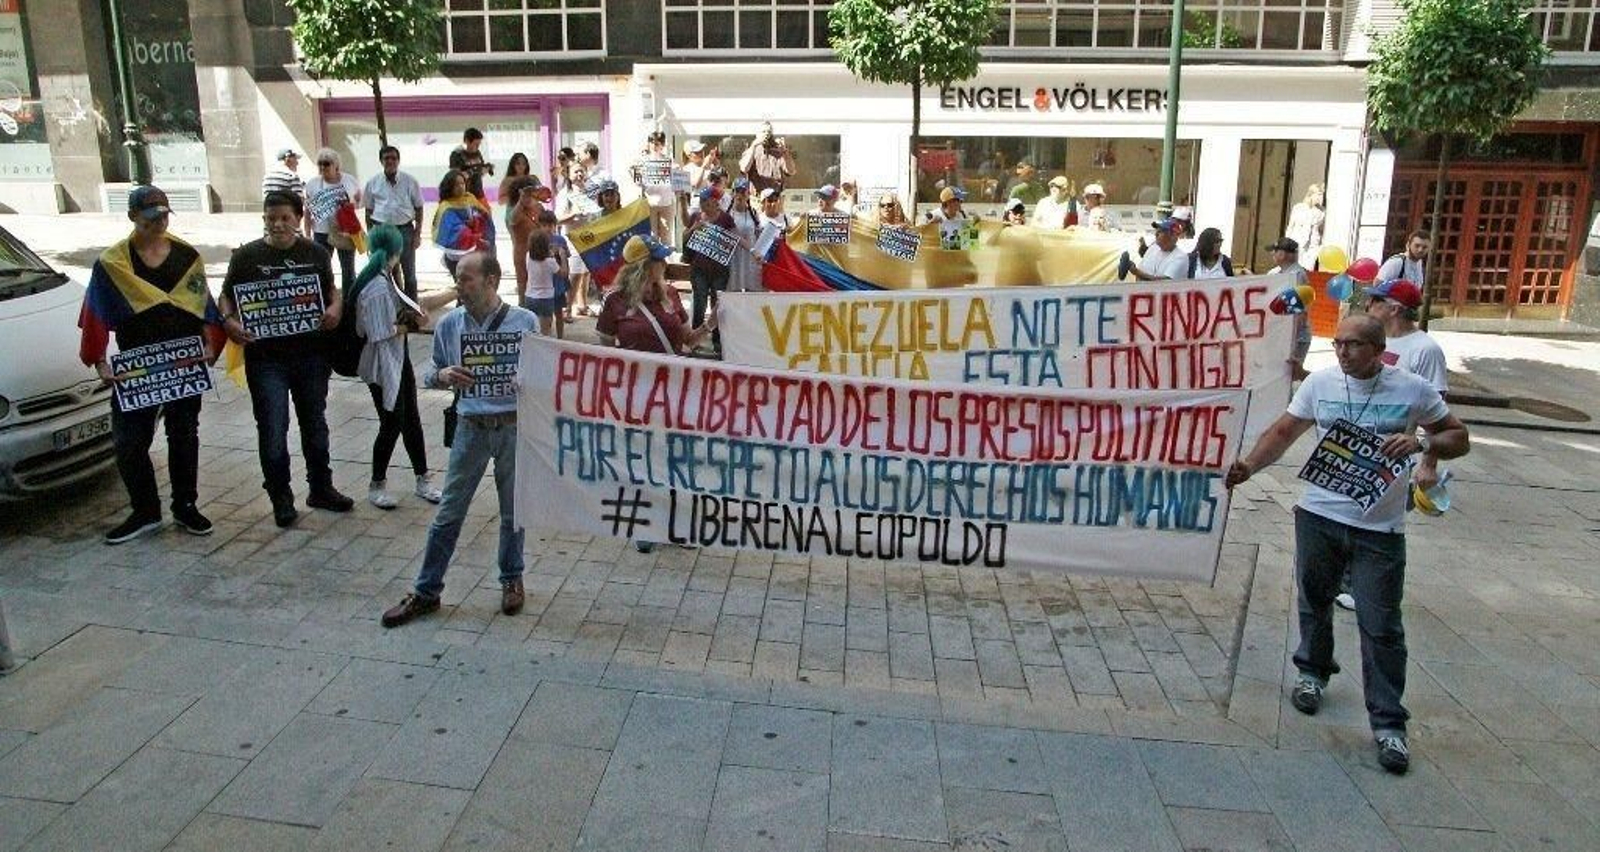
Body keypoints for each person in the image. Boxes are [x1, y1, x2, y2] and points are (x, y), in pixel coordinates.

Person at [1226, 315, 1469, 775]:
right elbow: (1283, 432)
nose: (1342, 353)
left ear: (1378, 349)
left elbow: (1460, 437)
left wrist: (1421, 443)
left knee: (1381, 624)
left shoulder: (1413, 389)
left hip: (1380, 530)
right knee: (1314, 599)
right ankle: (1312, 672)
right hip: (1319, 515)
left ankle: (1389, 724)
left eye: (1353, 345)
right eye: (1337, 344)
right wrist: (1249, 466)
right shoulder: (1320, 384)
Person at [381, 250, 538, 628]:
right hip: (471, 426)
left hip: (513, 424)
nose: (459, 286)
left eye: (466, 278)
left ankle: (511, 577)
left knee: (513, 510)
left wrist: (527, 382)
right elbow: (430, 372)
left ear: (491, 281)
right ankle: (426, 589)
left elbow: (544, 374)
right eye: (458, 278)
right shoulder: (451, 325)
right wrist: (444, 375)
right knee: (450, 511)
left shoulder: (525, 321)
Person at [79, 185, 226, 544]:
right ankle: (145, 510)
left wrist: (211, 342)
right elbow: (95, 313)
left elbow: (203, 304)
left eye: (163, 216)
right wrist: (99, 360)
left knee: (184, 435)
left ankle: (185, 505)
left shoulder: (186, 256)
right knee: (129, 442)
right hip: (138, 365)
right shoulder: (113, 264)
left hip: (182, 362)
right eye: (150, 218)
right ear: (133, 217)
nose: (159, 223)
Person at [219, 191, 353, 528]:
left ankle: (320, 488)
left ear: (298, 218)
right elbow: (226, 296)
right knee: (273, 427)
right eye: (270, 218)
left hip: (310, 355)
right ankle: (280, 496)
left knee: (315, 424)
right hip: (266, 359)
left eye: (284, 218)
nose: (277, 224)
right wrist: (229, 322)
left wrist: (336, 307)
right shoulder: (246, 256)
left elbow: (330, 289)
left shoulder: (316, 253)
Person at [348, 224, 441, 510]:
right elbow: (379, 331)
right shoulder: (376, 286)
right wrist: (412, 324)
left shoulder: (383, 277)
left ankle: (423, 477)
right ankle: (377, 484)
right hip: (381, 364)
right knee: (392, 423)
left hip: (397, 360)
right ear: (395, 251)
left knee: (411, 419)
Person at [363, 145, 425, 300]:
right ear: (381, 161)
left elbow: (419, 208)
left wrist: (417, 234)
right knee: (386, 272)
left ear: (398, 161)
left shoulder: (410, 181)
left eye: (393, 158)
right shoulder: (372, 183)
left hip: (405, 231)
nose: (390, 161)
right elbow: (368, 211)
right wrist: (371, 235)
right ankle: (394, 308)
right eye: (386, 158)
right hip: (382, 232)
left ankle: (412, 310)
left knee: (409, 273)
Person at [1366, 279, 1448, 395]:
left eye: (1375, 300)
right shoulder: (1372, 338)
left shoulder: (1426, 349)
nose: (1367, 305)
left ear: (1394, 309)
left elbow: (1435, 400)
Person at [684, 185, 735, 353]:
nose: (702, 204)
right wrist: (694, 229)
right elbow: (684, 237)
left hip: (720, 269)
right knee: (699, 303)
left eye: (705, 200)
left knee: (717, 305)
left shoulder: (726, 219)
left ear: (715, 202)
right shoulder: (695, 217)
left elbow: (733, 239)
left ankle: (718, 340)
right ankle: (695, 339)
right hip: (699, 268)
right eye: (701, 200)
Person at [304, 148, 361, 291]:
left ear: (336, 165)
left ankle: (349, 303)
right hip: (321, 233)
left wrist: (350, 205)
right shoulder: (312, 184)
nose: (323, 167)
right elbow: (307, 211)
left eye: (327, 163)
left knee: (348, 270)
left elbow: (359, 202)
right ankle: (327, 298)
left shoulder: (350, 180)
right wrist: (307, 233)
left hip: (345, 232)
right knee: (322, 268)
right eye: (320, 164)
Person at [432, 169, 495, 280]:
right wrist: (475, 237)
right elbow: (453, 230)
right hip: (457, 257)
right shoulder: (446, 206)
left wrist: (475, 222)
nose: (460, 187)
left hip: (475, 253)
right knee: (463, 289)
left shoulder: (470, 198)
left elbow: (484, 216)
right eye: (456, 184)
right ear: (449, 186)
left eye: (462, 183)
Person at [556, 163, 598, 317]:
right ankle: (567, 309)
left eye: (582, 171)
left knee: (586, 273)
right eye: (576, 171)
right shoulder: (564, 194)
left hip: (590, 237)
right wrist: (573, 214)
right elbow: (557, 219)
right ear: (568, 174)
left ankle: (583, 305)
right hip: (572, 239)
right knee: (575, 274)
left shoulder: (591, 192)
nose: (579, 174)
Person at [1268, 237, 1313, 379]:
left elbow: (1299, 311)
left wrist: (1292, 337)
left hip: (1295, 335)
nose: (1272, 254)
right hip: (1278, 332)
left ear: (1286, 254)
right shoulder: (1274, 273)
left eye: (1276, 251)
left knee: (1289, 375)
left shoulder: (1297, 275)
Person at [519, 230, 566, 336]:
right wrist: (562, 257)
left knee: (531, 328)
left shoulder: (528, 256)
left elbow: (539, 252)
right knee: (545, 332)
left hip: (530, 296)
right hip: (545, 298)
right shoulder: (550, 262)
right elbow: (563, 273)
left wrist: (550, 252)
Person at [634, 130, 676, 241]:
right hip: (650, 203)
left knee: (666, 235)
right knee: (652, 236)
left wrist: (676, 172)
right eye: (651, 142)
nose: (654, 145)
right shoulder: (641, 161)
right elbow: (638, 182)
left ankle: (665, 258)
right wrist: (635, 172)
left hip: (666, 202)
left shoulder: (669, 160)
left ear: (662, 145)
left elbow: (677, 181)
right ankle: (654, 258)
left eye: (657, 143)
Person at [726, 178, 764, 293]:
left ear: (748, 195)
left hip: (750, 260)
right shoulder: (727, 214)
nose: (739, 195)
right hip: (733, 260)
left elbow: (758, 234)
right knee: (733, 292)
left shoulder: (753, 213)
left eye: (743, 192)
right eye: (736, 191)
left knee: (752, 293)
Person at [739, 121, 796, 194]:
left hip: (775, 196)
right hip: (757, 197)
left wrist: (785, 153)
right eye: (763, 131)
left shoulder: (778, 151)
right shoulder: (751, 150)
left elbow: (791, 171)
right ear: (757, 134)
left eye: (769, 132)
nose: (766, 134)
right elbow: (744, 168)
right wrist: (754, 145)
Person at [449, 128, 495, 200]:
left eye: (479, 144)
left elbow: (480, 170)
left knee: (487, 211)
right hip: (464, 195)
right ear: (467, 141)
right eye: (476, 144)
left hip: (478, 194)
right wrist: (473, 171)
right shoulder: (457, 155)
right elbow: (455, 177)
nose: (478, 147)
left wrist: (487, 168)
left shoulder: (477, 153)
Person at [1287, 183, 1326, 258]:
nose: (1320, 197)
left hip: (1312, 246)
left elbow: (1321, 230)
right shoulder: (1299, 207)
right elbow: (1290, 226)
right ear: (1311, 194)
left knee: (1307, 267)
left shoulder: (1321, 212)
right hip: (1297, 242)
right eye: (1318, 194)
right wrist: (1287, 243)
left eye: (1322, 195)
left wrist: (1320, 246)